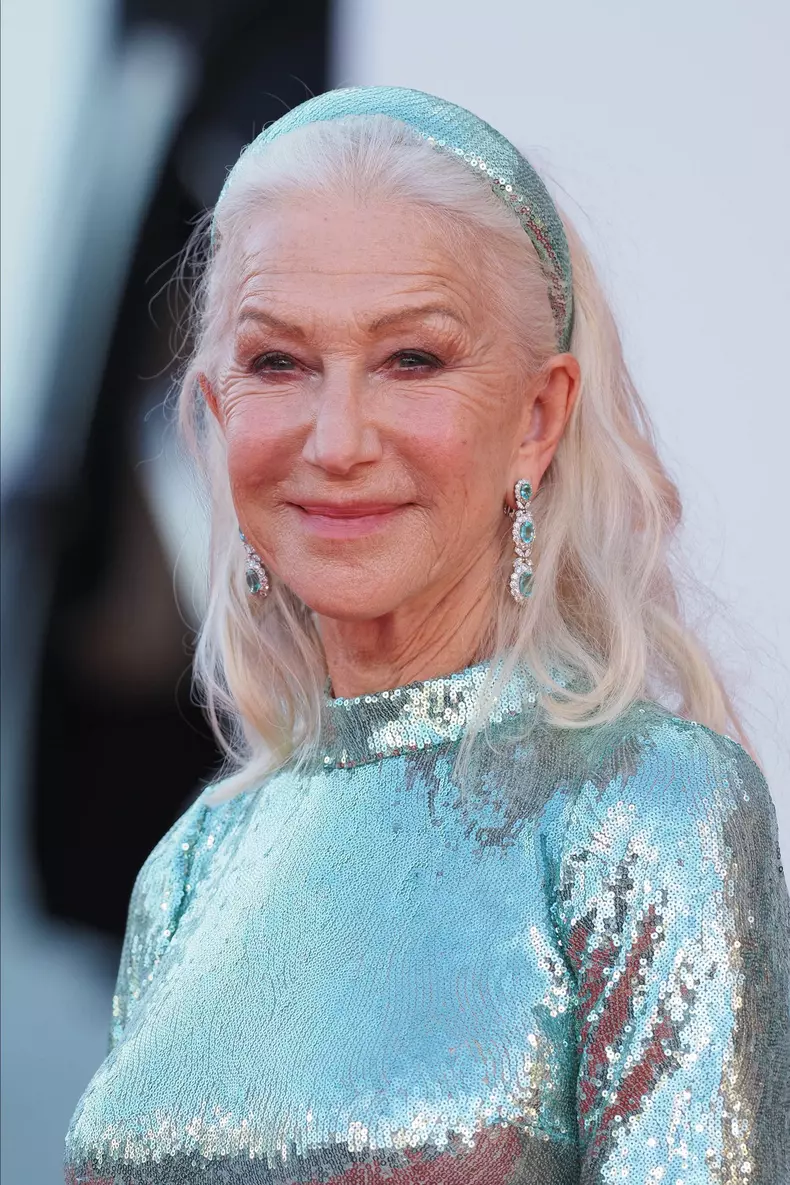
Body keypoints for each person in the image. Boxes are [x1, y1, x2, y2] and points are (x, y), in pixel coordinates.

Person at [64, 87, 790, 1184]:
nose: (337, 438)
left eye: (412, 360)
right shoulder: (190, 870)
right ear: (217, 412)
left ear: (537, 418)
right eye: (278, 363)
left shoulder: (645, 812)